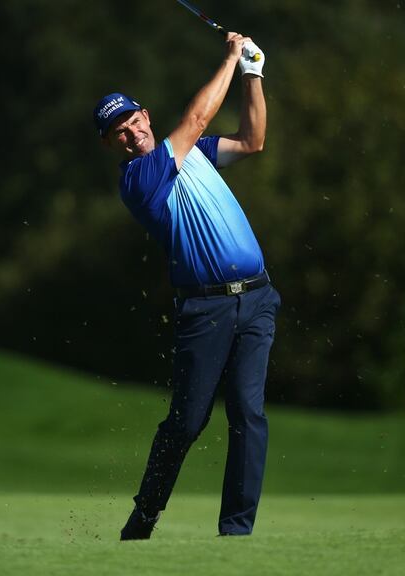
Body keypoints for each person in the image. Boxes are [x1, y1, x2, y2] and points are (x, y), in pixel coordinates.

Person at [92, 32, 281, 540]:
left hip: (257, 299)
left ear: (145, 116)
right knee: (187, 421)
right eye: (119, 133)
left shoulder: (194, 152)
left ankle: (236, 533)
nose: (131, 134)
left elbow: (253, 140)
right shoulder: (139, 179)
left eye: (133, 122)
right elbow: (197, 118)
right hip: (206, 312)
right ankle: (145, 515)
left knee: (248, 413)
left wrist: (253, 75)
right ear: (111, 145)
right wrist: (230, 58)